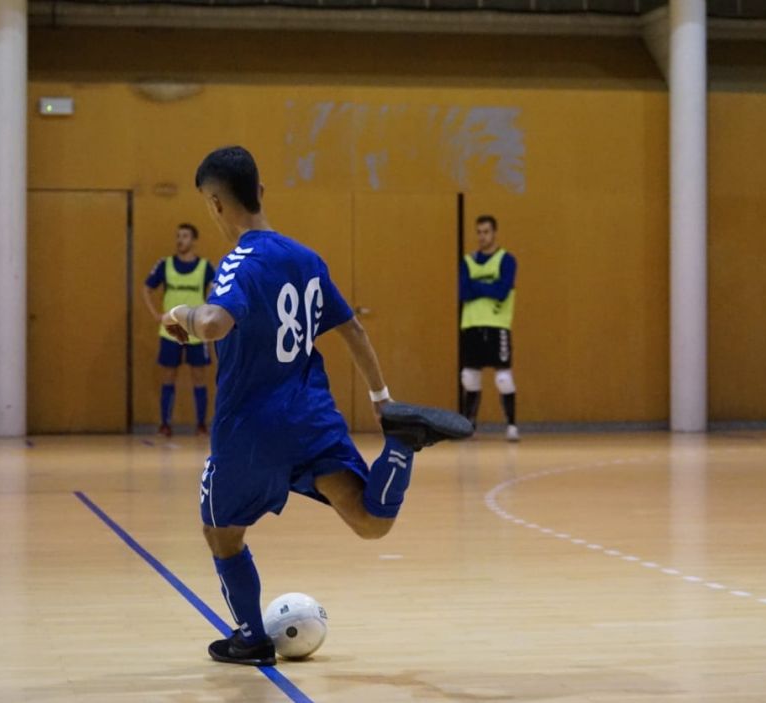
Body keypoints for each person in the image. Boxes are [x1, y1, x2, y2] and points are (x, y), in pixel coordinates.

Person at [162, 146, 472, 667]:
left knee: (221, 530)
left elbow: (214, 323)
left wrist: (184, 313)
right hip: (310, 416)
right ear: (260, 192)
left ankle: (250, 638)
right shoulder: (306, 258)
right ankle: (401, 446)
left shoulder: (239, 261)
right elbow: (351, 328)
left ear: (215, 203)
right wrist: (381, 399)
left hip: (252, 429)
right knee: (370, 520)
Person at [142, 223, 215, 437]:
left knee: (199, 377)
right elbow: (146, 288)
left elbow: (217, 293)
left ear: (194, 240)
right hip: (171, 330)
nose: (180, 240)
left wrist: (209, 317)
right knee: (168, 377)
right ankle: (165, 424)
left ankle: (201, 425)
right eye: (178, 236)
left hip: (196, 329)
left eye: (185, 236)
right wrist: (156, 314)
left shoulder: (206, 267)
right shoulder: (165, 265)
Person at [459, 214, 520, 442]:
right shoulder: (467, 261)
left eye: (486, 232)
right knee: (469, 377)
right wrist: (488, 286)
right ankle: (469, 425)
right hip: (472, 324)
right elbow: (464, 292)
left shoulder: (507, 260)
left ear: (494, 233)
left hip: (497, 325)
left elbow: (503, 291)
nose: (482, 236)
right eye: (479, 232)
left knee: (503, 378)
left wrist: (479, 286)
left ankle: (512, 425)